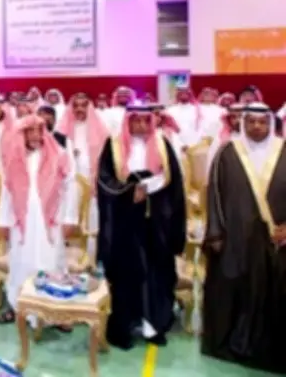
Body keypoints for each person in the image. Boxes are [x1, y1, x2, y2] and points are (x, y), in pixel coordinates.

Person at [201, 103, 286, 372]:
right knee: (236, 289)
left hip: (276, 240)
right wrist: (215, 232)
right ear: (243, 123)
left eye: (262, 122)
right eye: (251, 122)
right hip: (235, 239)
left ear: (270, 123)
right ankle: (235, 344)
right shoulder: (227, 152)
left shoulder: (283, 149)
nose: (257, 127)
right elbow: (214, 194)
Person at [96, 104, 186, 349]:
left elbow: (175, 182)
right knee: (127, 273)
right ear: (128, 121)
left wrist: (152, 188)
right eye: (136, 121)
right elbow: (104, 180)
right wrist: (129, 190)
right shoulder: (113, 145)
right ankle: (124, 326)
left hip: (156, 222)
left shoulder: (162, 144)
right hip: (124, 222)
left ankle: (153, 326)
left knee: (155, 272)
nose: (141, 126)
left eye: (146, 121)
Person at [0, 115, 78, 324]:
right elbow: (7, 191)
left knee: (51, 263)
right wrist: (3, 220)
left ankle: (55, 315)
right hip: (21, 223)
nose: (34, 136)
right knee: (20, 263)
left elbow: (70, 186)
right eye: (29, 131)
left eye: (38, 131)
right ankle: (17, 307)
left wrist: (70, 217)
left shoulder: (58, 154)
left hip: (49, 222)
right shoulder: (14, 157)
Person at [57, 93, 109, 256]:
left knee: (91, 217)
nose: (79, 109)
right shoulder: (62, 129)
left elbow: (105, 157)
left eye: (83, 105)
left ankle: (91, 256)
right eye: (76, 106)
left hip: (92, 179)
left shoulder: (100, 128)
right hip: (68, 182)